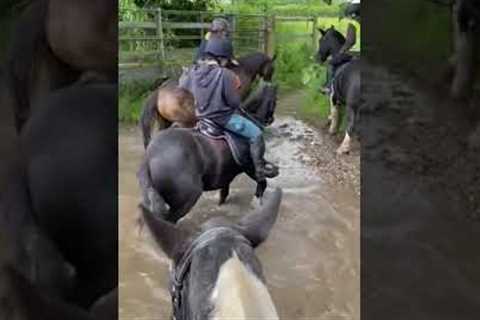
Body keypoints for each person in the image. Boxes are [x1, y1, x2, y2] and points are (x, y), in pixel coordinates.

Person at [180, 37, 276, 196]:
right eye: (226, 59)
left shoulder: (193, 71)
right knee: (257, 134)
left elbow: (184, 90)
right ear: (222, 58)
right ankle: (259, 170)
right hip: (223, 119)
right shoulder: (225, 74)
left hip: (201, 118)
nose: (227, 62)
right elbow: (234, 102)